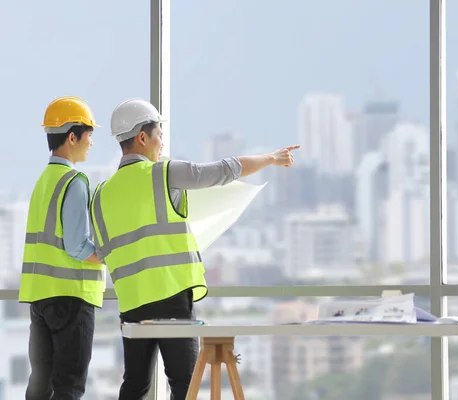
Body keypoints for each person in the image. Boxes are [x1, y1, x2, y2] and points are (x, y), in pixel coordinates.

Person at [89, 98, 299, 399]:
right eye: (159, 134)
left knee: (135, 384)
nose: (161, 143)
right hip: (172, 298)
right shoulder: (163, 174)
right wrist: (270, 158)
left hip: (132, 304)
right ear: (142, 137)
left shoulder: (99, 196)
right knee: (184, 383)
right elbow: (223, 171)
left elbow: (104, 252)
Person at [19, 96, 106, 400]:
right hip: (71, 299)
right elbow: (77, 246)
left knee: (40, 385)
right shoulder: (74, 181)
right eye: (89, 135)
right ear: (72, 137)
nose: (91, 143)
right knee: (69, 385)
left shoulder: (43, 181)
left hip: (40, 298)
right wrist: (108, 255)